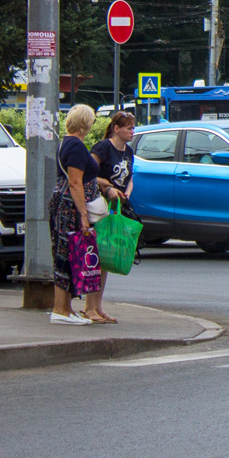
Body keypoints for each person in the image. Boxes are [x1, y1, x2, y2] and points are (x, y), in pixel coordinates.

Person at [49, 105, 100, 325]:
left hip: (60, 200)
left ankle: (66, 308)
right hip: (70, 205)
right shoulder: (77, 146)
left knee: (66, 252)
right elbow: (75, 182)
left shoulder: (64, 142)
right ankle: (60, 310)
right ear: (85, 122)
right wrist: (83, 214)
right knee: (67, 253)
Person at [84, 111, 137, 323]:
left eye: (133, 127)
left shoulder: (128, 151)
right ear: (117, 129)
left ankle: (98, 307)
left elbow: (130, 177)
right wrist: (108, 187)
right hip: (98, 207)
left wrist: (127, 193)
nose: (132, 131)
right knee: (95, 257)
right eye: (128, 128)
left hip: (115, 207)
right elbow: (87, 173)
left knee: (105, 258)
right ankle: (89, 308)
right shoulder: (103, 148)